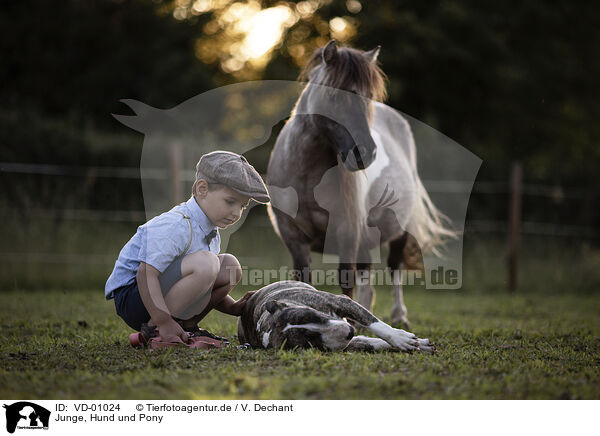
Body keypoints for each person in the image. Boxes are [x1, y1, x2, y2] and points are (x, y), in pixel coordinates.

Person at [105, 150, 270, 342]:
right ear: (202, 189)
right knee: (208, 263)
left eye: (242, 206)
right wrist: (162, 319)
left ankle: (188, 327)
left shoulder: (210, 231)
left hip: (160, 293)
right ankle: (155, 330)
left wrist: (232, 307)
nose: (236, 213)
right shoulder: (177, 224)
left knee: (229, 266)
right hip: (135, 296)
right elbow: (145, 273)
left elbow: (201, 284)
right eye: (230, 201)